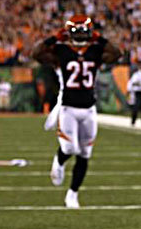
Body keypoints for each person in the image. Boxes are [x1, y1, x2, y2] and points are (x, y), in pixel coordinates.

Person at [33, 15, 121, 208]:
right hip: (68, 108)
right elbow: (37, 53)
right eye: (77, 31)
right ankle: (59, 159)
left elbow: (116, 53)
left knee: (85, 153)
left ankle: (72, 194)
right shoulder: (61, 50)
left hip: (89, 109)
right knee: (69, 148)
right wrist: (54, 38)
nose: (81, 35)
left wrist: (100, 39)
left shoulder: (96, 50)